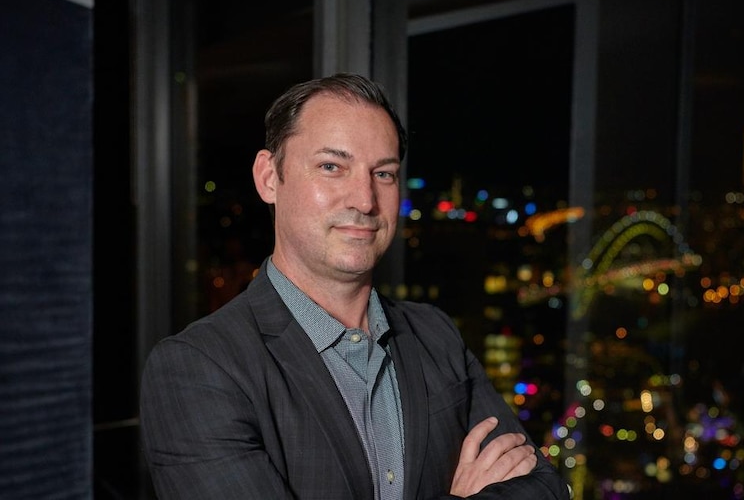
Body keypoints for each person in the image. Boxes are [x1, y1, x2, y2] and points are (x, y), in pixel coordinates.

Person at [139, 73, 570, 499]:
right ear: (269, 177)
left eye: (383, 174)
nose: (364, 200)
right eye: (332, 167)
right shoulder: (198, 369)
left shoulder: (435, 335)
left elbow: (546, 488)